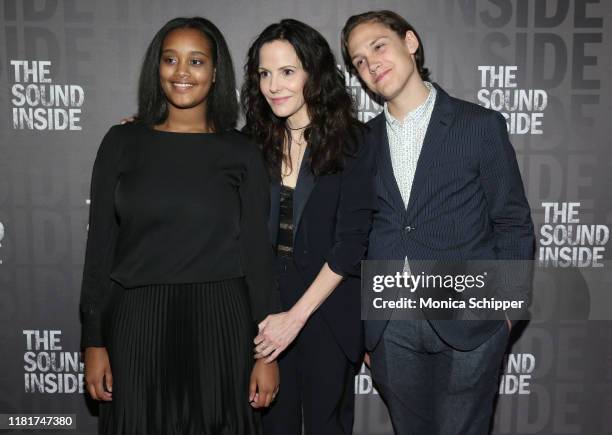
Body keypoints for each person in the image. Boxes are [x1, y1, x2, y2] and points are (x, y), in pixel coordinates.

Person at [80, 17, 279, 435]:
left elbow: (258, 259)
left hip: (221, 320)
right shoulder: (121, 143)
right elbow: (100, 247)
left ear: (215, 72)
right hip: (136, 320)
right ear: (157, 68)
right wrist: (94, 341)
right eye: (170, 59)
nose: (182, 72)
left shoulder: (242, 152)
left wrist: (267, 354)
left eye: (196, 61)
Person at [341, 10, 535, 435]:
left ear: (410, 42)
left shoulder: (479, 125)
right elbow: (355, 237)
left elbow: (513, 221)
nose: (370, 63)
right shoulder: (360, 143)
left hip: (471, 312)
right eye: (357, 60)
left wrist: (504, 315)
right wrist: (367, 328)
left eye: (378, 46)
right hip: (391, 319)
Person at [241, 19, 376, 435]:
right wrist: (145, 131)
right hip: (263, 311)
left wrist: (295, 318)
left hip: (326, 311)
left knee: (326, 426)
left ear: (313, 74)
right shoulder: (250, 142)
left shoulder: (354, 141)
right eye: (264, 73)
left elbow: (351, 241)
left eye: (287, 71)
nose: (274, 85)